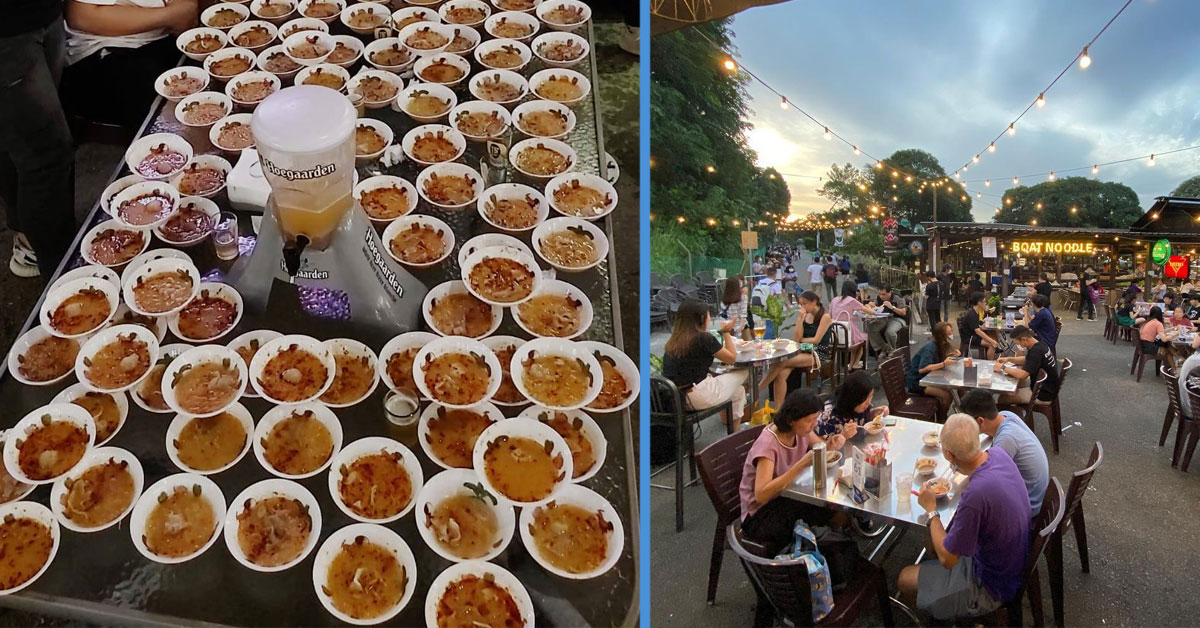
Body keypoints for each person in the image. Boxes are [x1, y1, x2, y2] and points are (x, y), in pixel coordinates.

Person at [897, 415, 1031, 621]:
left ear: (949, 455)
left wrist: (931, 510)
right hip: (1011, 560)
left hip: (991, 586)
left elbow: (948, 560)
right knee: (936, 537)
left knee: (904, 578)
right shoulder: (998, 454)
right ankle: (941, 599)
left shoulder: (975, 496)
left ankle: (941, 617)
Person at [1, 0, 78, 279]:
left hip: (42, 14)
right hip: (8, 35)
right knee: (47, 156)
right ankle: (66, 278)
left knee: (19, 141)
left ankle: (30, 243)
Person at [60, 0, 197, 131]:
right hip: (105, 50)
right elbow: (82, 16)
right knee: (165, 103)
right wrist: (170, 15)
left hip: (161, 37)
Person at [738, 389, 847, 548]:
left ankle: (832, 546)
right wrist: (800, 465)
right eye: (810, 420)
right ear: (791, 420)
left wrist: (832, 444)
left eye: (815, 419)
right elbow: (761, 494)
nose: (814, 424)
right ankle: (825, 551)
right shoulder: (768, 446)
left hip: (786, 496)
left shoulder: (801, 430)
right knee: (827, 510)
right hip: (760, 514)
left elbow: (820, 448)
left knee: (833, 504)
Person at [959, 390, 1049, 515]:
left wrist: (957, 463)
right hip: (1035, 493)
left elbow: (983, 476)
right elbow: (991, 435)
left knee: (969, 500)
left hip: (1027, 507)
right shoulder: (1007, 415)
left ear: (980, 421)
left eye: (967, 423)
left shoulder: (1006, 440)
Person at [662, 299, 748, 427]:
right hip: (698, 394)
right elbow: (731, 358)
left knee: (738, 391)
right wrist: (726, 332)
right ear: (702, 318)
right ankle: (756, 394)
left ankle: (734, 435)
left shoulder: (673, 341)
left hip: (675, 398)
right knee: (744, 370)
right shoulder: (704, 338)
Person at [758, 291, 835, 406]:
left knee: (781, 363)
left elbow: (816, 340)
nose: (802, 307)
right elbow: (797, 337)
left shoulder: (825, 316)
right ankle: (779, 409)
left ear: (814, 302)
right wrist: (799, 320)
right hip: (804, 350)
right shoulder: (806, 316)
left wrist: (801, 341)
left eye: (805, 304)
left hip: (818, 352)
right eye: (801, 304)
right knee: (780, 374)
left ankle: (757, 389)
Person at [995, 326, 1060, 406]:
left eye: (1017, 344)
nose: (1018, 346)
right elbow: (1028, 359)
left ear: (1024, 340)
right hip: (1047, 387)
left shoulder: (1036, 352)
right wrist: (1009, 359)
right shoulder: (1040, 344)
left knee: (1003, 398)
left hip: (1042, 394)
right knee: (1012, 384)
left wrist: (1002, 367)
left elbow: (1022, 375)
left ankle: (1010, 416)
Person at [907, 321, 959, 418]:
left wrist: (951, 356)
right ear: (942, 336)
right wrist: (943, 363)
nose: (951, 335)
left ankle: (942, 415)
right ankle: (942, 418)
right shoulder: (930, 348)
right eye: (949, 333)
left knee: (949, 392)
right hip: (918, 382)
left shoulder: (939, 344)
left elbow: (936, 360)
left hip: (928, 378)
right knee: (947, 396)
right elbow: (922, 369)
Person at [815, 369, 887, 438]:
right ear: (853, 397)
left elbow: (866, 421)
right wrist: (843, 436)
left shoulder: (861, 405)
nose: (868, 402)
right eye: (865, 398)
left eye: (871, 396)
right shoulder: (830, 416)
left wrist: (873, 414)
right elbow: (821, 445)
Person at [829, 280, 868, 370]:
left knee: (857, 342)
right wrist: (869, 306)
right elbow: (869, 311)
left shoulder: (834, 300)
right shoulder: (851, 300)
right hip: (846, 333)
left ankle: (851, 365)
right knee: (861, 342)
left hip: (835, 336)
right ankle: (855, 363)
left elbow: (829, 315)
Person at [867, 284, 909, 357]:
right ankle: (885, 348)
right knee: (871, 327)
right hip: (883, 318)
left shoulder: (898, 297)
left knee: (890, 332)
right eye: (880, 294)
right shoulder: (879, 298)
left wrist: (892, 307)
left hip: (897, 318)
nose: (882, 296)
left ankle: (892, 351)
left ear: (890, 292)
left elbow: (903, 312)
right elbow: (875, 306)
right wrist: (872, 305)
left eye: (884, 294)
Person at [958, 292, 998, 360]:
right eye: (984, 301)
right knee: (992, 344)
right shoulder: (972, 314)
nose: (986, 303)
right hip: (970, 338)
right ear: (979, 303)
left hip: (973, 335)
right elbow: (978, 331)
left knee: (993, 336)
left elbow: (976, 326)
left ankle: (991, 356)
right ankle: (990, 363)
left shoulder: (975, 312)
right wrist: (992, 341)